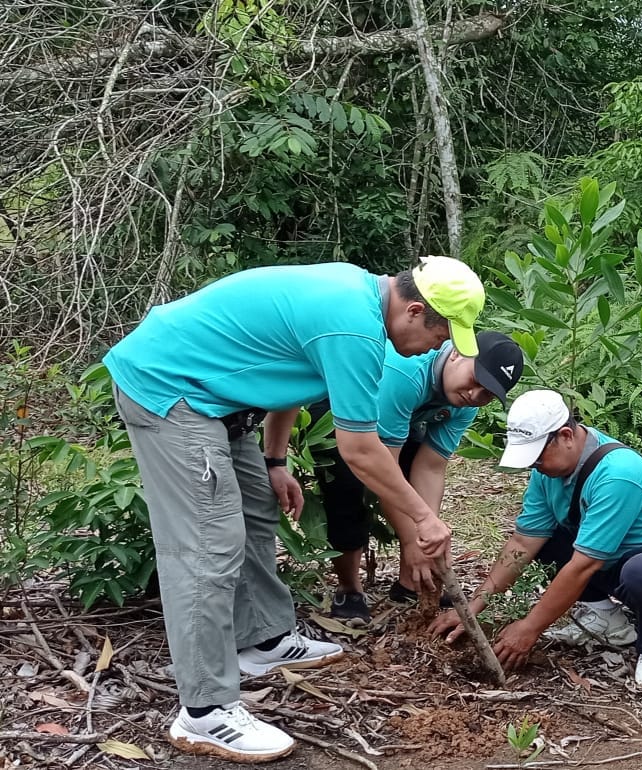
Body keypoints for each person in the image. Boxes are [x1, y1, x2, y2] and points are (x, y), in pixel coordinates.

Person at [103, 257, 485, 763]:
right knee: (206, 547)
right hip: (174, 391)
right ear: (416, 311)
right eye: (440, 336)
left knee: (258, 510)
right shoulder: (356, 330)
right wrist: (423, 518)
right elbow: (361, 450)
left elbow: (294, 374)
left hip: (221, 401)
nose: (438, 348)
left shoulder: (357, 300)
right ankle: (206, 711)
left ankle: (260, 639)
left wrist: (275, 459)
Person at [429, 389, 642, 687]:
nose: (534, 465)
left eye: (537, 455)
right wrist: (472, 608)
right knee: (547, 538)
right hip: (614, 563)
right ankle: (604, 616)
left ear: (566, 435)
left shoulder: (618, 475)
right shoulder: (547, 473)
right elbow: (522, 543)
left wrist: (530, 627)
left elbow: (583, 566)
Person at [311, 331, 524, 626]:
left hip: (401, 416)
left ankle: (410, 581)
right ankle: (349, 589)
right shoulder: (406, 373)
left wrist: (428, 536)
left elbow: (430, 468)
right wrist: (414, 539)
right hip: (338, 404)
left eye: (488, 393)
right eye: (476, 380)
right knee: (346, 487)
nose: (476, 395)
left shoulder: (466, 401)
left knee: (416, 493)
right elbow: (383, 471)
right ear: (457, 354)